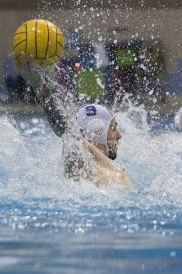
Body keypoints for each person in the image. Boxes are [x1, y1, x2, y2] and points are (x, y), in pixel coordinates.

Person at [18, 59, 132, 187]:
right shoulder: (82, 165)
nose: (119, 135)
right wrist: (42, 90)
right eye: (113, 127)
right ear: (97, 129)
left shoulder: (114, 172)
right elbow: (70, 134)